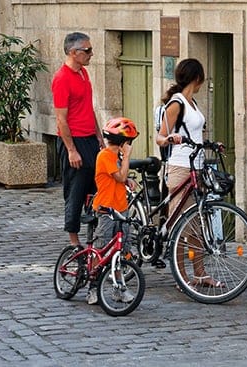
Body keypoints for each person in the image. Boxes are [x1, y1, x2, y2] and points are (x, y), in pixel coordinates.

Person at [155, 58, 223, 289]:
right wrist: (169, 139)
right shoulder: (177, 103)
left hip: (197, 167)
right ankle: (181, 275)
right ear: (198, 77)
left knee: (197, 221)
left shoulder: (192, 102)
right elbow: (160, 136)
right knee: (181, 225)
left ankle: (200, 274)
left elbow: (195, 134)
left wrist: (212, 144)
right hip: (180, 167)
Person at [52, 31, 104, 247]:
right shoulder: (62, 79)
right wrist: (71, 150)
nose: (91, 54)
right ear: (73, 52)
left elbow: (88, 108)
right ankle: (74, 244)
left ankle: (93, 241)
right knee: (75, 191)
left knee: (96, 191)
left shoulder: (83, 74)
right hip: (74, 142)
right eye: (87, 50)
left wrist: (99, 137)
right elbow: (61, 119)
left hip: (90, 139)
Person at [87, 117, 139, 304]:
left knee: (120, 251)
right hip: (106, 210)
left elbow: (120, 178)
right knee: (100, 249)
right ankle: (92, 287)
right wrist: (126, 157)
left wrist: (128, 181)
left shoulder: (115, 157)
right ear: (124, 142)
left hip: (121, 209)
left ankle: (119, 288)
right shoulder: (105, 156)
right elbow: (119, 175)